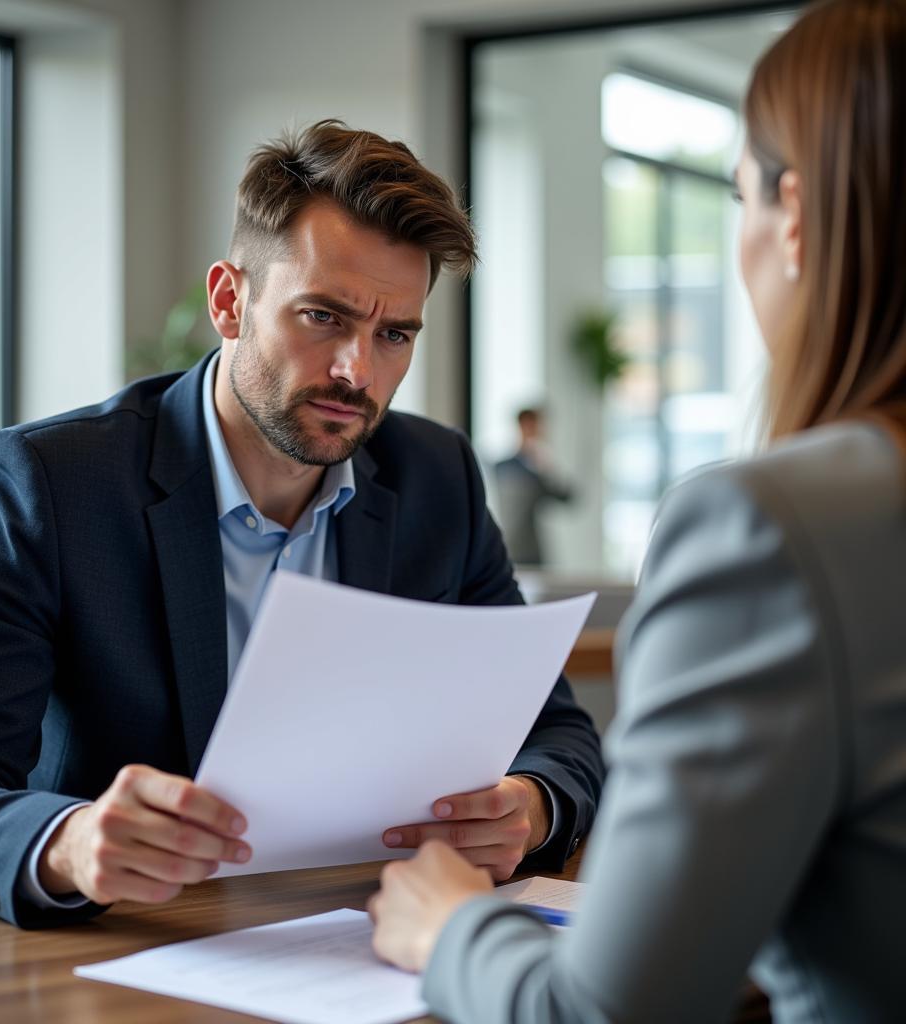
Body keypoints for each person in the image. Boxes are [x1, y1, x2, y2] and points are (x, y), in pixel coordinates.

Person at [0, 121, 603, 927]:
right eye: (323, 317)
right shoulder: (55, 486)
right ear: (230, 300)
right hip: (132, 954)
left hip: (370, 940)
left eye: (394, 334)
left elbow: (558, 731)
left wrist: (529, 803)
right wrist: (68, 842)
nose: (356, 371)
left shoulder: (437, 479)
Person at [369, 2, 906, 1020]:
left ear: (791, 215)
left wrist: (451, 928)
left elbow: (602, 1012)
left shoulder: (769, 532)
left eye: (736, 192)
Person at [494, 408, 575, 566]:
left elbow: (566, 497)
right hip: (510, 548)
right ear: (522, 426)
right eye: (534, 426)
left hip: (533, 551)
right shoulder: (503, 467)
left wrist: (545, 467)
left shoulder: (540, 469)